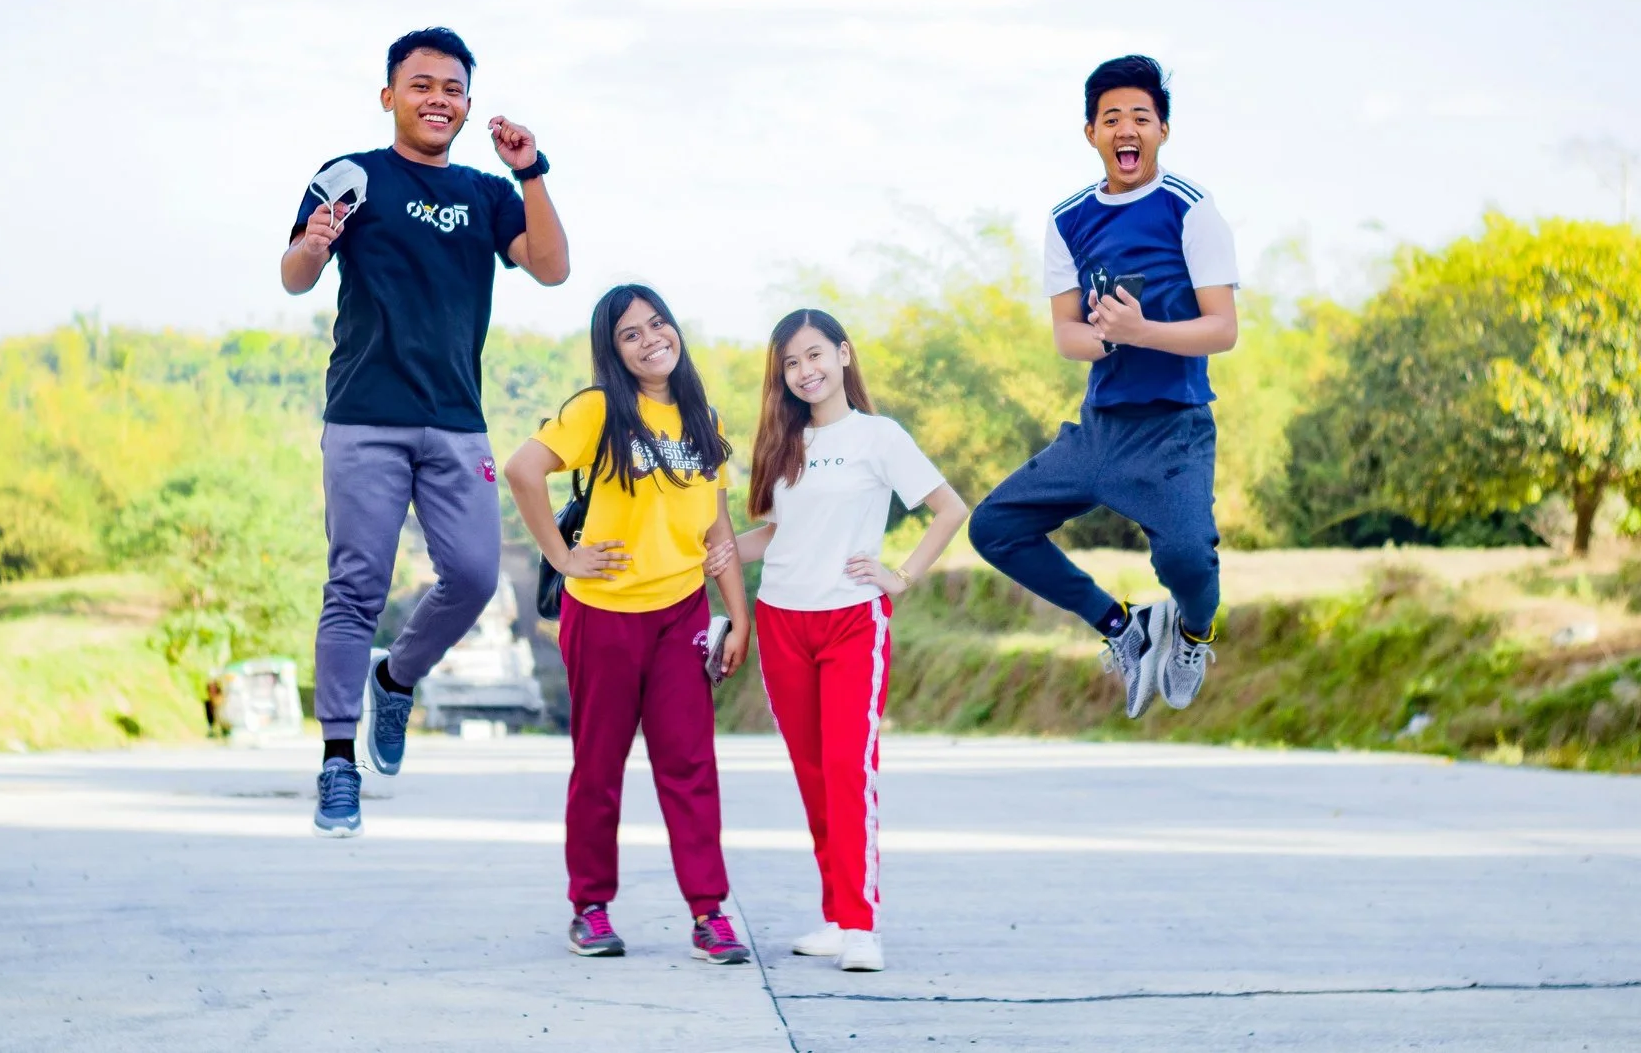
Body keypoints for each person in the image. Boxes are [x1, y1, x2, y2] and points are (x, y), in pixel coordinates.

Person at [281, 26, 570, 837]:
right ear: (389, 97)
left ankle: (397, 678)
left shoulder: (486, 192)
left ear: (468, 104)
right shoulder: (352, 175)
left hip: (455, 421)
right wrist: (313, 244)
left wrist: (531, 171)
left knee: (475, 576)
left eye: (452, 88)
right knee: (355, 587)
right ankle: (338, 762)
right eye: (421, 85)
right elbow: (296, 275)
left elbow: (552, 267)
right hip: (364, 418)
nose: (437, 98)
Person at [967, 54, 1239, 718]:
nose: (1126, 129)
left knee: (1188, 562)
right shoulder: (1068, 219)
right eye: (1111, 118)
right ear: (1090, 133)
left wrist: (1143, 330)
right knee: (993, 527)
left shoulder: (1191, 209)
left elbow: (1222, 328)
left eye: (1141, 117)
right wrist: (1112, 338)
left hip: (1175, 428)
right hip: (1100, 431)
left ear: (1162, 130)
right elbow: (1068, 335)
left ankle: (1191, 635)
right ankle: (1124, 626)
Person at [501, 285, 754, 967]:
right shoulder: (598, 409)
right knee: (599, 767)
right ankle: (590, 908)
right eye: (630, 334)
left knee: (690, 766)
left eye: (657, 324)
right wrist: (562, 557)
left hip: (681, 614)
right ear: (612, 351)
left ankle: (709, 914)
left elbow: (718, 530)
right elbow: (523, 469)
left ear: (675, 329)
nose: (650, 340)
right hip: (603, 616)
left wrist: (739, 616)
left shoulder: (703, 418)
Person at [719, 309, 967, 975]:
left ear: (843, 354)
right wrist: (711, 552)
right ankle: (836, 914)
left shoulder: (878, 436)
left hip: (852, 621)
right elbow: (779, 533)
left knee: (848, 770)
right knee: (813, 774)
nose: (805, 371)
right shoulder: (783, 441)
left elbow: (950, 509)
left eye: (814, 355)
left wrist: (901, 576)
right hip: (781, 620)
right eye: (790, 363)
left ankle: (861, 925)